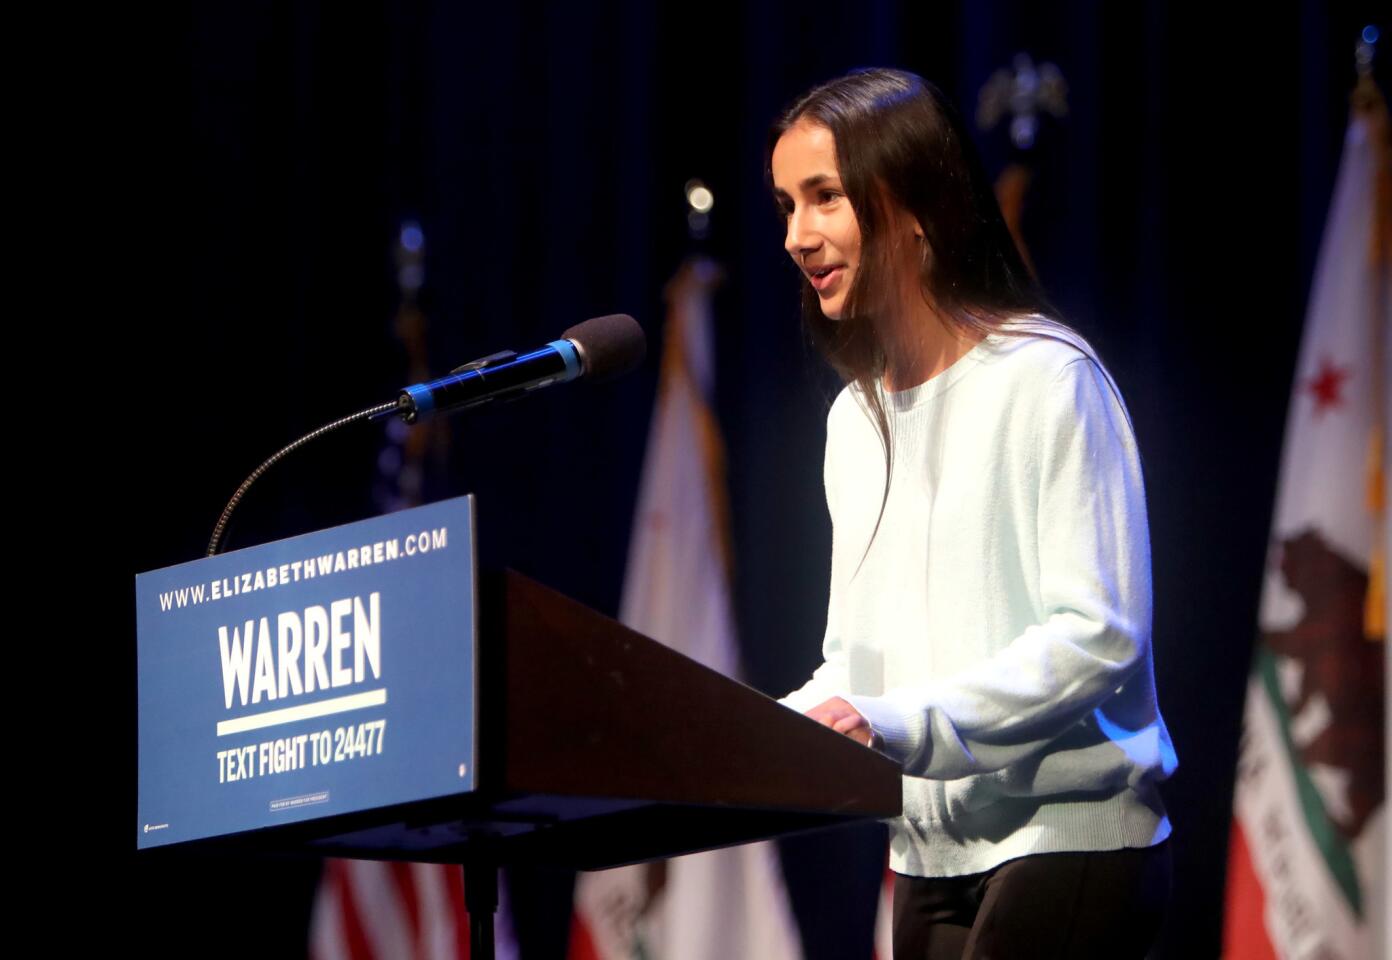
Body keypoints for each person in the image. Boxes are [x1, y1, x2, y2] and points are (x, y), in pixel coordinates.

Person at [770, 68, 1177, 959]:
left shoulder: (1048, 377)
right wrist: (744, 730)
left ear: (911, 204)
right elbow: (856, 661)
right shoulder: (853, 421)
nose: (798, 236)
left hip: (1069, 836)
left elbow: (1098, 635)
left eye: (824, 198)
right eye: (786, 206)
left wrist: (897, 723)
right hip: (925, 852)